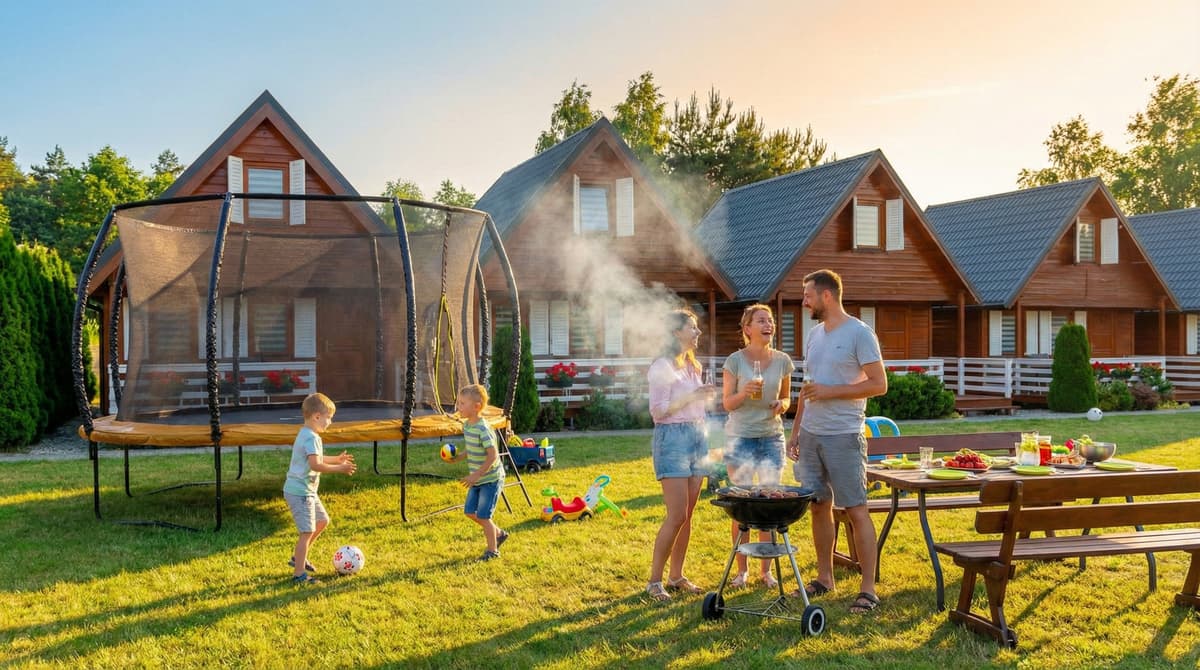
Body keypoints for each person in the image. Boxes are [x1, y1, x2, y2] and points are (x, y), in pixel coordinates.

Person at [787, 269, 888, 614]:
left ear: (826, 296)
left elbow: (878, 384)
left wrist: (832, 392)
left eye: (808, 296)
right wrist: (796, 431)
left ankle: (868, 589)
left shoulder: (860, 333)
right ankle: (825, 577)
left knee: (856, 509)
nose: (804, 302)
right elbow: (809, 388)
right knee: (818, 505)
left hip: (844, 435)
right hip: (811, 434)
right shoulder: (814, 335)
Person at [645, 308, 716, 601]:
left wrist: (704, 398)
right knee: (676, 515)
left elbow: (694, 404)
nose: (697, 332)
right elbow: (658, 411)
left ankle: (676, 576)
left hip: (697, 435)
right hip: (672, 439)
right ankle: (654, 582)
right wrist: (692, 397)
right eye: (692, 328)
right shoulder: (662, 366)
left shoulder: (692, 365)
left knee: (687, 515)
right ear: (676, 333)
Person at [722, 304, 794, 588]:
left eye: (770, 320)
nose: (769, 325)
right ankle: (742, 571)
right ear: (747, 328)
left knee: (769, 503)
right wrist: (743, 392)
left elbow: (787, 398)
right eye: (761, 321)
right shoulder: (734, 361)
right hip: (740, 437)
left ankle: (766, 571)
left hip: (771, 437)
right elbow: (727, 403)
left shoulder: (783, 361)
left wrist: (782, 405)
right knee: (742, 504)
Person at [284, 392, 357, 585]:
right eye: (329, 417)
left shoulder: (306, 433)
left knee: (322, 521)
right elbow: (316, 465)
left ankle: (298, 558)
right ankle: (299, 574)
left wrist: (336, 459)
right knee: (306, 532)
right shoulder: (311, 437)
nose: (330, 422)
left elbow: (315, 457)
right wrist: (340, 468)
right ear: (317, 416)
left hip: (305, 491)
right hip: (300, 493)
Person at [451, 383, 509, 561]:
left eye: (462, 403)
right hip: (478, 480)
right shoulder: (468, 426)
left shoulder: (483, 429)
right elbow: (472, 448)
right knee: (470, 511)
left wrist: (475, 475)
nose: (458, 407)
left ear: (476, 406)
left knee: (484, 516)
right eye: (458, 403)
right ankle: (499, 533)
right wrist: (458, 457)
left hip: (490, 479)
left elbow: (493, 455)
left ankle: (492, 551)